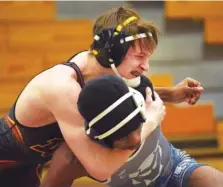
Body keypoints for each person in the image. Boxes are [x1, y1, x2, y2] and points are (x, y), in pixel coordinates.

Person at [0, 6, 203, 187]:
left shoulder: (102, 70)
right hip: (6, 160)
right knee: (70, 157)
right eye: (140, 57)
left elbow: (120, 98)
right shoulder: (62, 87)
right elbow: (100, 168)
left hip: (28, 163)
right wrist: (149, 121)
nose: (146, 66)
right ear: (113, 52)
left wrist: (172, 94)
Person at [41, 74, 223, 187]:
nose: (136, 139)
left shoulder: (143, 94)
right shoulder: (72, 157)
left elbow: (143, 90)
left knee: (212, 181)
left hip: (174, 167)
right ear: (100, 138)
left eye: (139, 125)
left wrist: (172, 93)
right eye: (123, 136)